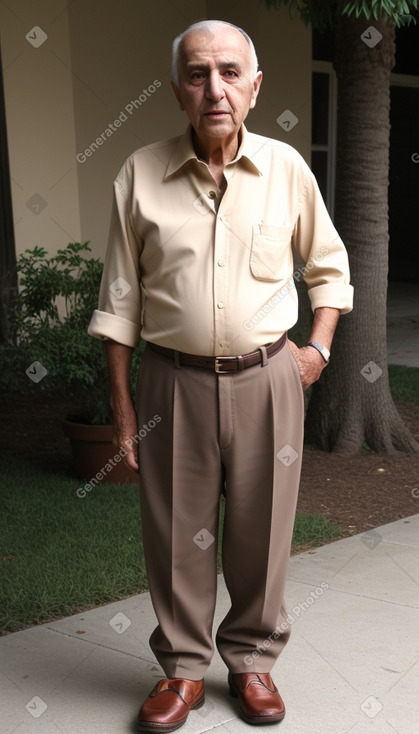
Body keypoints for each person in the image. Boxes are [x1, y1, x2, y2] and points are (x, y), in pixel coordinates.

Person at [88, 19, 353, 731]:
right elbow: (118, 304)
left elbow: (329, 270)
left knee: (261, 531)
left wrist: (317, 351)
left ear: (254, 87)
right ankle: (180, 672)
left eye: (230, 72)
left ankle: (251, 661)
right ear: (178, 90)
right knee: (175, 532)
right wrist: (121, 411)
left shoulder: (287, 171)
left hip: (269, 379)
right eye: (198, 74)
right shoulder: (139, 173)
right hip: (169, 383)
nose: (215, 88)